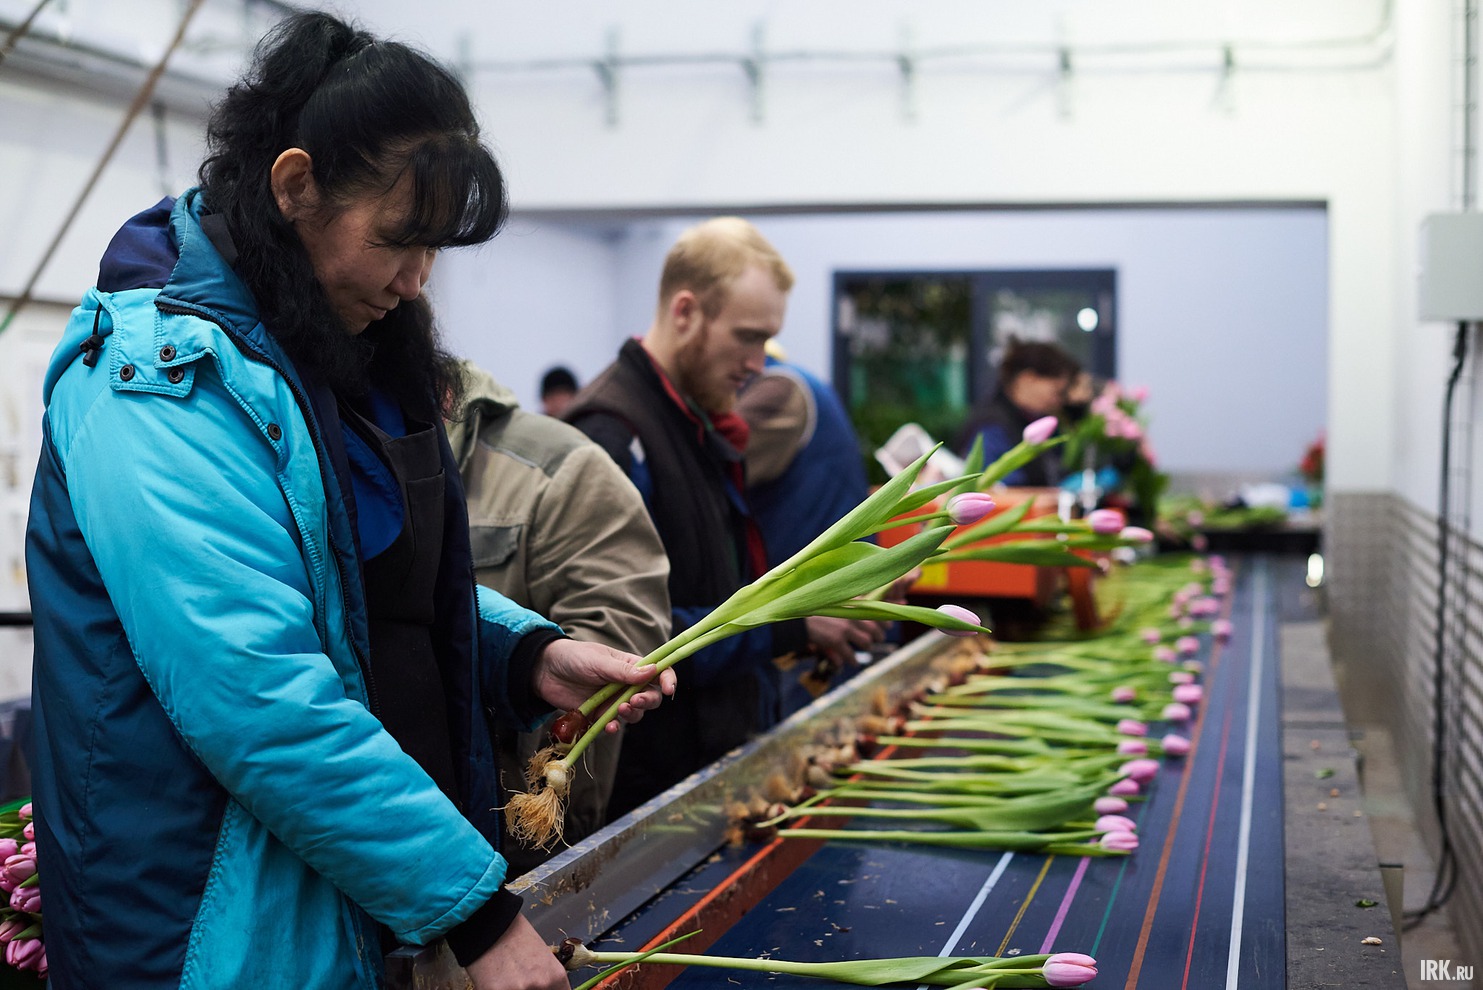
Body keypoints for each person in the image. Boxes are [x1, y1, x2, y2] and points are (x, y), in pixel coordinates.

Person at [23, 13, 671, 990]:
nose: (416, 282)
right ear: (295, 185)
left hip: (349, 911)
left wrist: (526, 653)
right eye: (400, 241)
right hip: (209, 937)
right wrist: (477, 915)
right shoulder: (156, 385)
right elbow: (258, 696)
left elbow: (347, 578)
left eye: (435, 252)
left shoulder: (324, 353)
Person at [566, 217, 882, 817]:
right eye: (747, 337)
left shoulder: (695, 421)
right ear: (685, 312)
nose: (759, 364)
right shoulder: (612, 436)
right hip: (653, 795)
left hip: (711, 771)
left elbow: (709, 589)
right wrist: (795, 626)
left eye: (768, 341)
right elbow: (631, 643)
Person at [445, 360, 671, 875]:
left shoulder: (566, 463)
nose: (405, 283)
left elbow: (621, 623)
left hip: (507, 853)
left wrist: (537, 667)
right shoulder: (322, 441)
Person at [736, 342, 881, 713]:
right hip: (822, 605)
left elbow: (712, 479)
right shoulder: (805, 383)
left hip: (808, 616)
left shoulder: (778, 391)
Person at [956, 337, 1080, 486]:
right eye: (1056, 391)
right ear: (1027, 379)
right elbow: (995, 487)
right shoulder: (991, 426)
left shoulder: (1030, 419)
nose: (1058, 401)